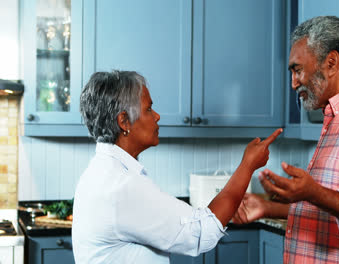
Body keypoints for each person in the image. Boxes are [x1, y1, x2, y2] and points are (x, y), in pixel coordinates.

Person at [233, 16, 339, 263]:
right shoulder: (336, 120)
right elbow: (330, 214)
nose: (294, 83)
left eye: (298, 69)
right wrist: (268, 208)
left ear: (332, 63)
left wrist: (313, 192)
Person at [72, 70, 282, 264]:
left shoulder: (103, 172)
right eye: (148, 109)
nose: (157, 116)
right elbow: (202, 232)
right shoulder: (121, 185)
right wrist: (247, 165)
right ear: (124, 121)